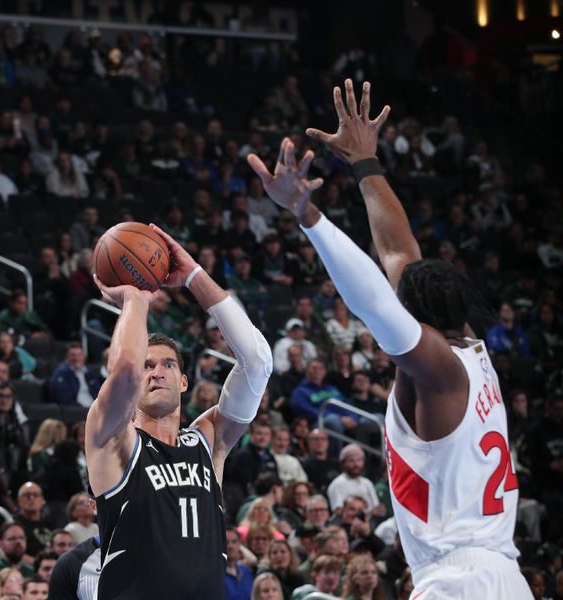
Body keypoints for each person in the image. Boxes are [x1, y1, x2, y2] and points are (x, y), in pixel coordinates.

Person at [250, 81, 530, 596]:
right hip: (504, 575)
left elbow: (377, 301)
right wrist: (366, 165)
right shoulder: (471, 348)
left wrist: (307, 216)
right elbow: (400, 253)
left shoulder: (438, 368)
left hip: (457, 580)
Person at [86, 218, 272, 598]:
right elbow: (123, 370)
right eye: (147, 366)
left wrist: (193, 276)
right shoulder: (113, 439)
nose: (155, 373)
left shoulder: (209, 440)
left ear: (184, 381)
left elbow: (258, 362)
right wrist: (136, 300)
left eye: (167, 365)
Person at [326, 443, 382, 513]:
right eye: (351, 461)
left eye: (359, 460)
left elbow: (376, 508)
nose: (356, 464)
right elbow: (338, 511)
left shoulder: (367, 483)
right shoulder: (337, 484)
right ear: (342, 463)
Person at [48, 535, 99, 600]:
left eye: (70, 545)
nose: (66, 548)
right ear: (51, 547)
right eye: (61, 545)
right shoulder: (68, 563)